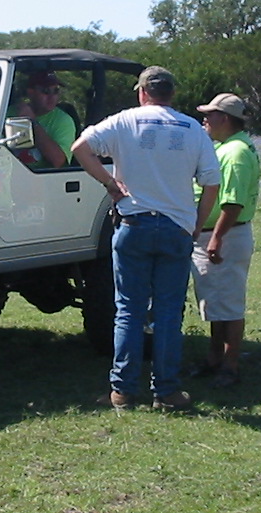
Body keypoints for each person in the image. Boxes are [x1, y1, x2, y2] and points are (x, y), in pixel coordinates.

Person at [72, 66, 220, 411]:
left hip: (133, 223)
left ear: (142, 93)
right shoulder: (192, 129)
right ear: (171, 94)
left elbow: (80, 147)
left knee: (128, 310)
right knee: (168, 312)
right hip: (175, 227)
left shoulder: (124, 121)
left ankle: (122, 390)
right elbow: (211, 182)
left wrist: (110, 183)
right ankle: (166, 391)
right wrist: (197, 223)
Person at [190, 93, 261, 388]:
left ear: (225, 118)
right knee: (216, 301)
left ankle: (230, 365)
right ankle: (215, 358)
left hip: (225, 236)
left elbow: (233, 203)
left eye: (210, 114)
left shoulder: (235, 153)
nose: (205, 119)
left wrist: (217, 238)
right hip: (217, 235)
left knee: (229, 302)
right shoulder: (228, 147)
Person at [11, 70, 76, 168]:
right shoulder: (9, 113)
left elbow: (58, 161)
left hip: (41, 176)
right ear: (31, 92)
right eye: (46, 91)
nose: (52, 97)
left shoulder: (63, 121)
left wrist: (32, 122)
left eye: (56, 91)